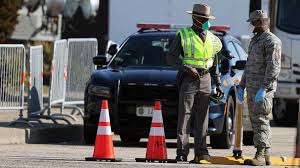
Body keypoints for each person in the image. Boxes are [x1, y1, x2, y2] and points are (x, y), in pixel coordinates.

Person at [167, 4, 223, 163]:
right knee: (185, 116)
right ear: (195, 18)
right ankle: (182, 152)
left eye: (208, 19)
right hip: (189, 78)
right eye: (204, 19)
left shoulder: (212, 38)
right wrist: (186, 68)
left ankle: (201, 152)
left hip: (206, 79)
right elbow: (171, 57)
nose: (206, 22)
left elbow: (215, 61)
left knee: (203, 118)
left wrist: (217, 83)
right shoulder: (183, 35)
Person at [237, 10, 282, 166]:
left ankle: (260, 154)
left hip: (262, 90)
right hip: (252, 87)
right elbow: (249, 66)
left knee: (261, 120)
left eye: (253, 22)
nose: (251, 25)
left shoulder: (272, 41)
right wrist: (242, 85)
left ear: (259, 22)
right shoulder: (255, 40)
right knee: (255, 120)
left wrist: (264, 88)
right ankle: (266, 154)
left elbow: (274, 67)